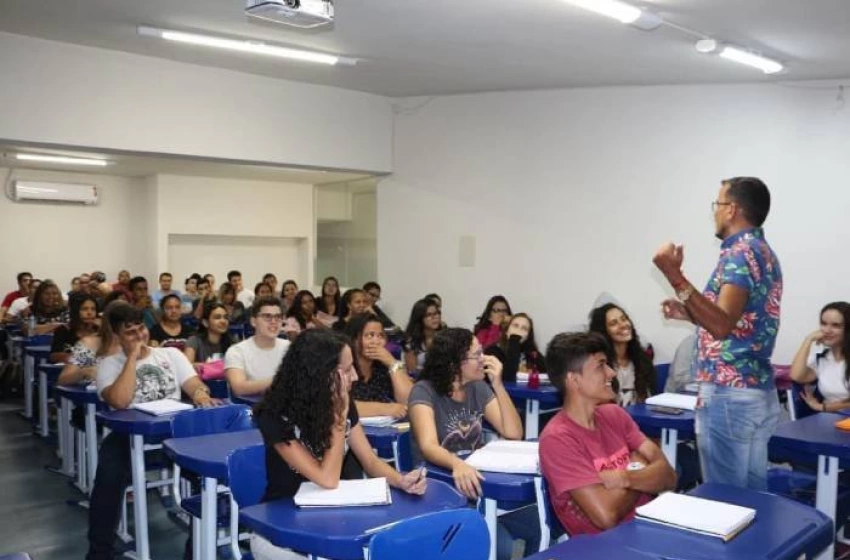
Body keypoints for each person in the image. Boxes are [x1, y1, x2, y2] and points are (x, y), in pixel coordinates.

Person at [653, 176, 782, 490]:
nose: (714, 212)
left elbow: (722, 325)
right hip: (753, 390)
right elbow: (736, 323)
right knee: (753, 498)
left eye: (718, 204)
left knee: (726, 500)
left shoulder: (739, 254)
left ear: (732, 209)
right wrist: (689, 310)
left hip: (729, 393)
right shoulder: (762, 251)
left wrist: (675, 276)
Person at [252, 329, 427, 560]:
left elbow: (371, 461)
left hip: (332, 518)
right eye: (345, 370)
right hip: (280, 530)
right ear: (319, 373)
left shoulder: (341, 401)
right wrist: (338, 418)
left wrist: (400, 480)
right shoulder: (274, 414)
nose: (354, 376)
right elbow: (327, 479)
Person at [86, 303, 217, 560]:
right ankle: (100, 552)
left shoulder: (171, 355)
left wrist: (201, 394)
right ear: (116, 335)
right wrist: (133, 357)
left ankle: (197, 551)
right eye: (130, 332)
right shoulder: (108, 365)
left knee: (210, 478)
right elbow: (121, 401)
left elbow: (194, 385)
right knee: (107, 478)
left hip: (173, 436)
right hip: (129, 438)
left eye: (141, 328)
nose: (139, 336)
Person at [408, 328, 536, 560]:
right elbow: (428, 446)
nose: (484, 359)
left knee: (537, 523)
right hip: (439, 486)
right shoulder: (424, 391)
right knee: (501, 547)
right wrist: (457, 465)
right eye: (477, 355)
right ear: (454, 363)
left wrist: (498, 384)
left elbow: (514, 432)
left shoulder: (477, 387)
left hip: (476, 486)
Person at [539, 332, 677, 536]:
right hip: (606, 546)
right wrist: (640, 468)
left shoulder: (614, 414)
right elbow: (606, 517)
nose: (611, 373)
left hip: (649, 528)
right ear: (574, 380)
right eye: (600, 366)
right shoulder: (557, 439)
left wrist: (624, 477)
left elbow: (668, 476)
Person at [344, 314, 412, 418]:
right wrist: (386, 408)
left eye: (380, 336)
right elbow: (341, 405)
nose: (376, 342)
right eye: (370, 335)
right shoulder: (343, 368)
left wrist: (392, 363)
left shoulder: (385, 367)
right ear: (354, 339)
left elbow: (409, 400)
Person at [588, 304, 655, 406]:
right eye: (613, 323)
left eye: (624, 319)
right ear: (603, 331)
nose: (623, 325)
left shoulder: (642, 360)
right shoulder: (598, 366)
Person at [790, 302, 850, 413]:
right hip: (832, 420)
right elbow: (796, 376)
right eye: (824, 323)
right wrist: (808, 340)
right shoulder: (821, 358)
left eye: (836, 325)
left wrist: (824, 407)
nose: (827, 330)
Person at [225, 296, 290, 396]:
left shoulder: (290, 347)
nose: (273, 321)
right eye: (267, 317)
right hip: (253, 408)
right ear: (253, 321)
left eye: (278, 317)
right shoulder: (237, 351)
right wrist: (280, 380)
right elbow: (239, 388)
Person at [484, 313, 545, 383]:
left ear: (528, 336)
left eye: (524, 328)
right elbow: (508, 377)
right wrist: (514, 340)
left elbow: (549, 373)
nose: (518, 330)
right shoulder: (493, 350)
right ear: (507, 331)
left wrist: (532, 351)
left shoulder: (531, 352)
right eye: (515, 326)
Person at [50, 294, 100, 363]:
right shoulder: (63, 330)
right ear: (75, 311)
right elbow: (54, 356)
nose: (89, 313)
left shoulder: (100, 331)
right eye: (84, 309)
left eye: (93, 309)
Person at [185, 303, 233, 368]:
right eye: (217, 317)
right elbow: (187, 367)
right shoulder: (194, 341)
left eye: (225, 317)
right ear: (205, 323)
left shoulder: (232, 342)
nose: (223, 321)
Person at [403, 298, 443, 372]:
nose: (434, 317)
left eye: (436, 313)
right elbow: (412, 372)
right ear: (419, 318)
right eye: (429, 315)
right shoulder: (411, 342)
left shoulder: (445, 337)